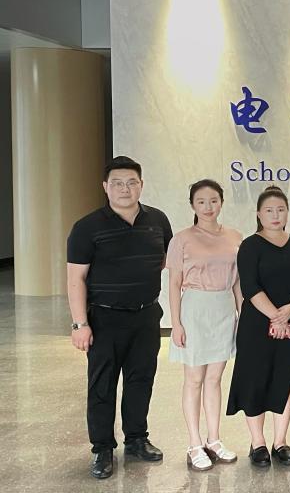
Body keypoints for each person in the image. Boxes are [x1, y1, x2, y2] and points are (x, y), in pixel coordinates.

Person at [66, 156, 173, 479]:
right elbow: (75, 278)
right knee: (102, 386)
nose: (124, 189)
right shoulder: (87, 227)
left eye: (131, 182)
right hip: (104, 319)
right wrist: (80, 324)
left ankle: (137, 439)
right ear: (105, 187)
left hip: (146, 315)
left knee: (141, 380)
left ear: (141, 185)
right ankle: (102, 449)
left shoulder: (158, 220)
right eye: (117, 183)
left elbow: (166, 259)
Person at [226, 186, 290, 467]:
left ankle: (280, 442)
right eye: (269, 210)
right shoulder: (250, 246)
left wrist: (289, 310)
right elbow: (250, 287)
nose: (276, 215)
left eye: (281, 210)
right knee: (255, 379)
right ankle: (258, 443)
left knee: (284, 377)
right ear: (258, 214)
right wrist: (277, 315)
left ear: (287, 212)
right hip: (256, 324)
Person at [167, 179, 244, 470]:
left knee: (215, 378)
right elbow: (174, 283)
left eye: (213, 200)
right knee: (194, 379)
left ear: (221, 202)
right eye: (201, 202)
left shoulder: (235, 236)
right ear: (192, 205)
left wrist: (242, 316)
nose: (208, 207)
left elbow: (238, 283)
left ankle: (214, 439)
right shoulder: (182, 239)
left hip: (224, 308)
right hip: (195, 310)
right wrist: (176, 323)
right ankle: (194, 443)